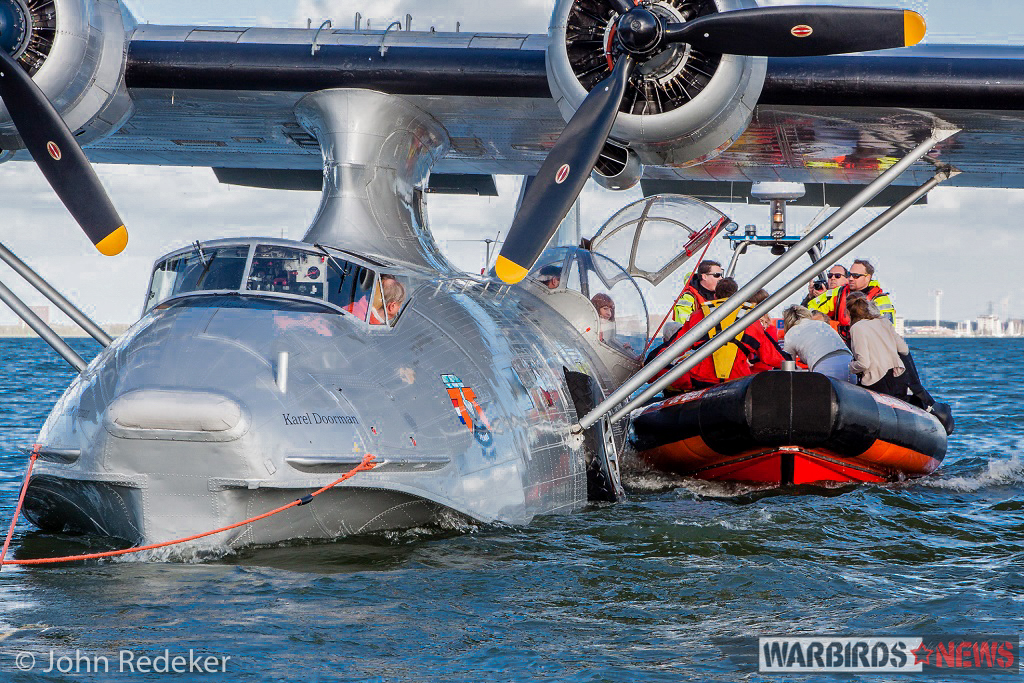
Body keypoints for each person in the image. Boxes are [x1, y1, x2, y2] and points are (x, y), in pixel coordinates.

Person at [659, 277, 787, 391]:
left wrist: (651, 364)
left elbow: (674, 347)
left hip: (702, 381)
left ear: (715, 296)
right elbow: (771, 355)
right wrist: (790, 363)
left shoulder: (698, 316)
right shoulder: (750, 320)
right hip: (737, 382)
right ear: (737, 296)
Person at [809, 259, 896, 338]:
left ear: (868, 277)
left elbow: (886, 330)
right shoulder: (838, 293)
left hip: (867, 346)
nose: (850, 278)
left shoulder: (880, 300)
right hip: (840, 345)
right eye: (850, 275)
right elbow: (811, 308)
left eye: (856, 276)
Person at [846, 296, 909, 397]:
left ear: (850, 313)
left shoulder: (857, 328)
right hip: (897, 375)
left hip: (877, 381)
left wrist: (850, 367)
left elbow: (864, 363)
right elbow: (904, 350)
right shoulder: (884, 321)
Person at [781, 305, 855, 383]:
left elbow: (789, 365)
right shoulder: (821, 324)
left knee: (825, 394)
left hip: (825, 365)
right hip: (848, 360)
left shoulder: (791, 333)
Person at [672, 260, 723, 326]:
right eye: (717, 275)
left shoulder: (721, 295)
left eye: (721, 275)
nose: (721, 278)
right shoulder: (688, 298)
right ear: (704, 277)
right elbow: (685, 324)